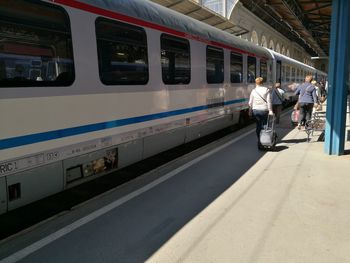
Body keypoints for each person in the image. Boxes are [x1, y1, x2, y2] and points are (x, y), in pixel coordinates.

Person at [249, 77, 273, 149]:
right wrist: (270, 110)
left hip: (255, 110)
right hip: (264, 109)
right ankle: (264, 140)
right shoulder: (266, 90)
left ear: (256, 83)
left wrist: (250, 111)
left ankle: (259, 140)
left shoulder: (253, 91)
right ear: (263, 82)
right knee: (265, 125)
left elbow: (250, 102)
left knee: (258, 125)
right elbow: (269, 101)